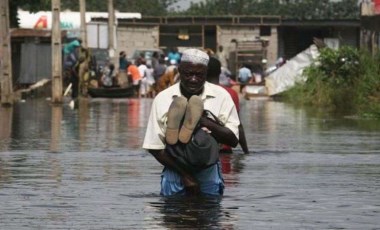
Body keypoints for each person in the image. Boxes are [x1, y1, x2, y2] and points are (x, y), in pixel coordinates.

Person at [143, 48, 240, 197]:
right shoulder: (163, 98)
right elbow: (154, 147)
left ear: (206, 73)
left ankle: (195, 123)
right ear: (179, 71)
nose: (193, 79)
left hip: (206, 169)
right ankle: (183, 127)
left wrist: (203, 121)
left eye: (199, 75)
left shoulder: (221, 96)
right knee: (201, 216)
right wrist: (185, 175)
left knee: (203, 137)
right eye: (188, 74)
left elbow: (233, 140)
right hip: (176, 170)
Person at [207, 56, 249, 154]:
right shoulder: (231, 93)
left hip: (202, 150)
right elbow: (237, 125)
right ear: (219, 72)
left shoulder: (196, 92)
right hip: (225, 152)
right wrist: (246, 151)